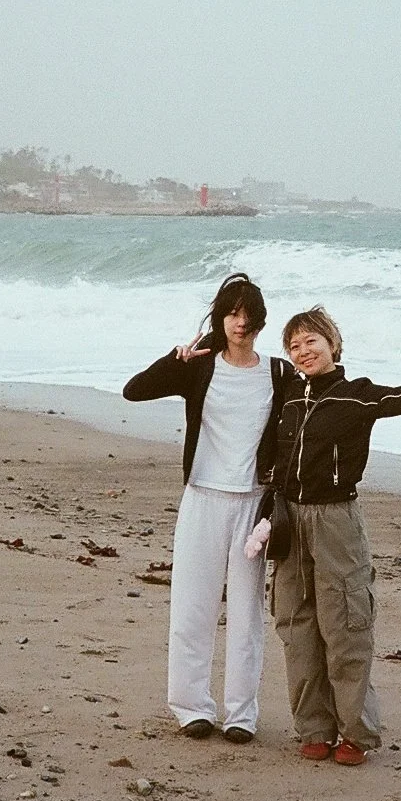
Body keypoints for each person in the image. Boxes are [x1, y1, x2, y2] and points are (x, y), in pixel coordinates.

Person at [271, 305, 401, 766]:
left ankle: (356, 734)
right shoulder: (286, 394)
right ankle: (314, 729)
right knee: (296, 627)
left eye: (311, 341)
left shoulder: (357, 396)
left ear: (333, 344)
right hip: (288, 520)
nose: (303, 351)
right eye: (294, 345)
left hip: (336, 522)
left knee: (345, 627)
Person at [123, 274, 293, 743]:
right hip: (201, 497)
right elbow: (133, 391)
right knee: (192, 607)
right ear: (220, 316)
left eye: (248, 314)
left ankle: (242, 714)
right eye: (232, 312)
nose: (240, 322)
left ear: (260, 320)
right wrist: (172, 360)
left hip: (252, 506)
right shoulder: (199, 367)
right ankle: (192, 707)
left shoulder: (278, 374)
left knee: (247, 615)